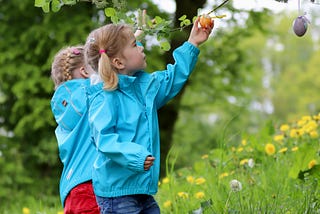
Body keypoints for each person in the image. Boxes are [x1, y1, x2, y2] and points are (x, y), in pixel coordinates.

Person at [84, 16, 214, 214]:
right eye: (135, 45)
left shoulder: (146, 88)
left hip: (141, 188)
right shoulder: (104, 98)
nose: (142, 47)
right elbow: (105, 141)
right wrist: (136, 156)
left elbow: (173, 77)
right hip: (116, 193)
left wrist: (193, 43)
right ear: (118, 62)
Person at [50, 46, 100, 214]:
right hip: (93, 188)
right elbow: (119, 68)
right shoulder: (93, 94)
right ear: (85, 71)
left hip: (72, 191)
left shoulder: (64, 110)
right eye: (96, 64)